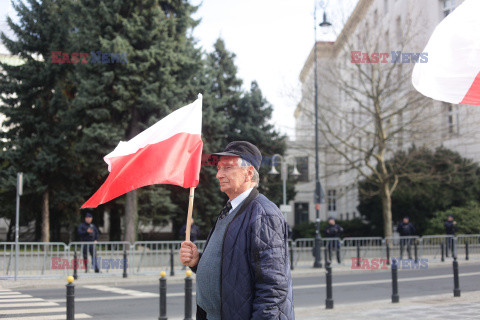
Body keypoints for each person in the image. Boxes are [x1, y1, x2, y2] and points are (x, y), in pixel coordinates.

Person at [179, 141, 294, 320]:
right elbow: (232, 265)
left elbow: (273, 289)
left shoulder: (263, 214)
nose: (218, 175)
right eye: (218, 168)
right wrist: (198, 262)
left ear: (248, 173)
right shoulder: (232, 209)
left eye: (226, 168)